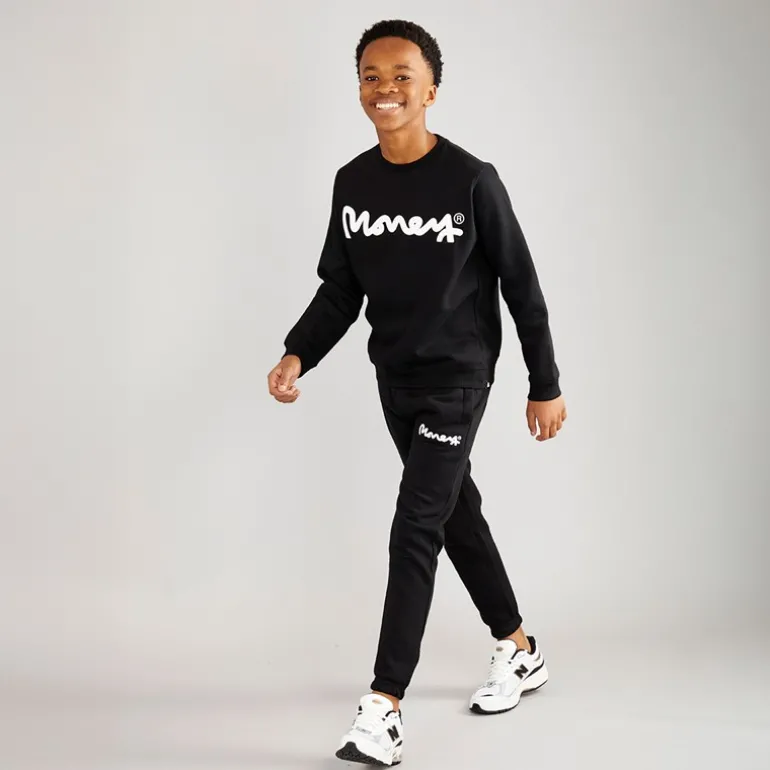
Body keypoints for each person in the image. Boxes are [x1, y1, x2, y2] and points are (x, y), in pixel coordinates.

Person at [267, 18, 567, 767]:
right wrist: (298, 352)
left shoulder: (471, 179)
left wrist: (545, 384)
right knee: (456, 515)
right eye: (371, 76)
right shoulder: (353, 183)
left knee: (415, 528)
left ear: (431, 89)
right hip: (394, 378)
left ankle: (384, 708)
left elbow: (522, 286)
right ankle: (520, 648)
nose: (386, 88)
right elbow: (341, 290)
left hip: (458, 380)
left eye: (403, 75)